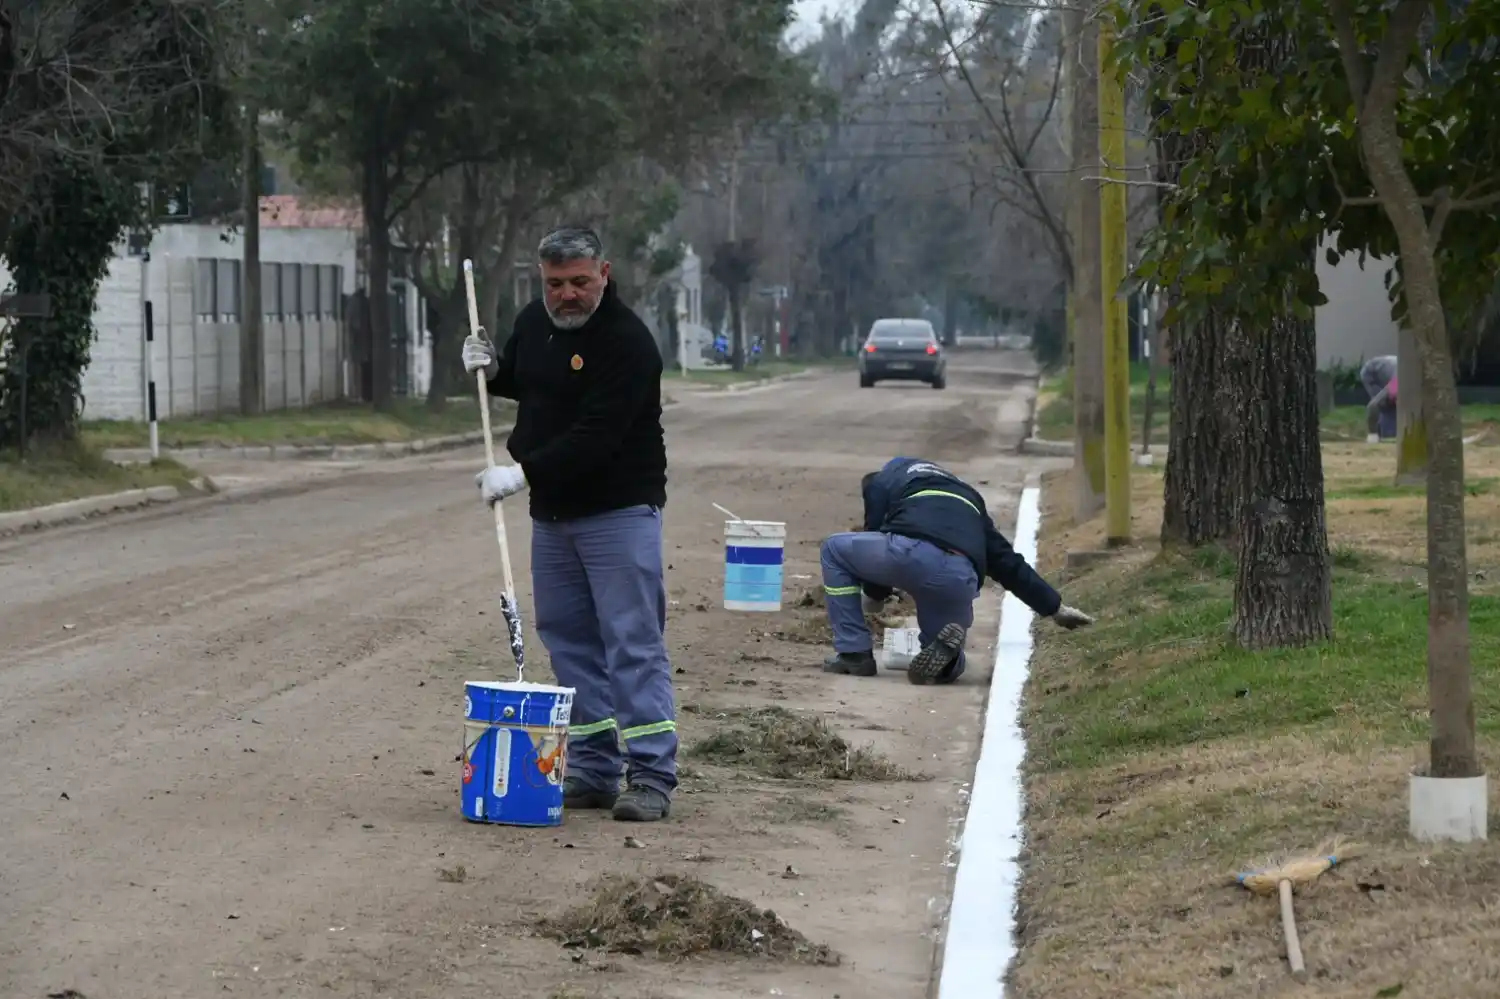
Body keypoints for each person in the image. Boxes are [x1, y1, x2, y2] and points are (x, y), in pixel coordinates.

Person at [460, 225, 677, 823]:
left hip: (618, 513)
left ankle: (653, 775)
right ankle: (595, 768)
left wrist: (522, 472)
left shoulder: (629, 343)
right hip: (554, 517)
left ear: (603, 273)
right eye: (556, 284)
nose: (568, 295)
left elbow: (597, 437)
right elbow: (533, 383)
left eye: (581, 281)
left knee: (632, 644)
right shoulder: (534, 323)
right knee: (571, 645)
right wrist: (493, 367)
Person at [820, 457, 1094, 684]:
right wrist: (1054, 607)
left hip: (910, 554)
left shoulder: (883, 480)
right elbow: (1006, 562)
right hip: (959, 575)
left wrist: (875, 596)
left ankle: (854, 653)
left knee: (833, 549)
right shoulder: (970, 500)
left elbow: (876, 530)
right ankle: (948, 659)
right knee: (939, 644)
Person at [1359, 354, 1398, 443]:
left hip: (1389, 373)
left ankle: (1390, 436)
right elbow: (1373, 406)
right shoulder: (1396, 384)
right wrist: (1372, 434)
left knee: (1394, 403)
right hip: (1371, 374)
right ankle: (1378, 436)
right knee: (1385, 404)